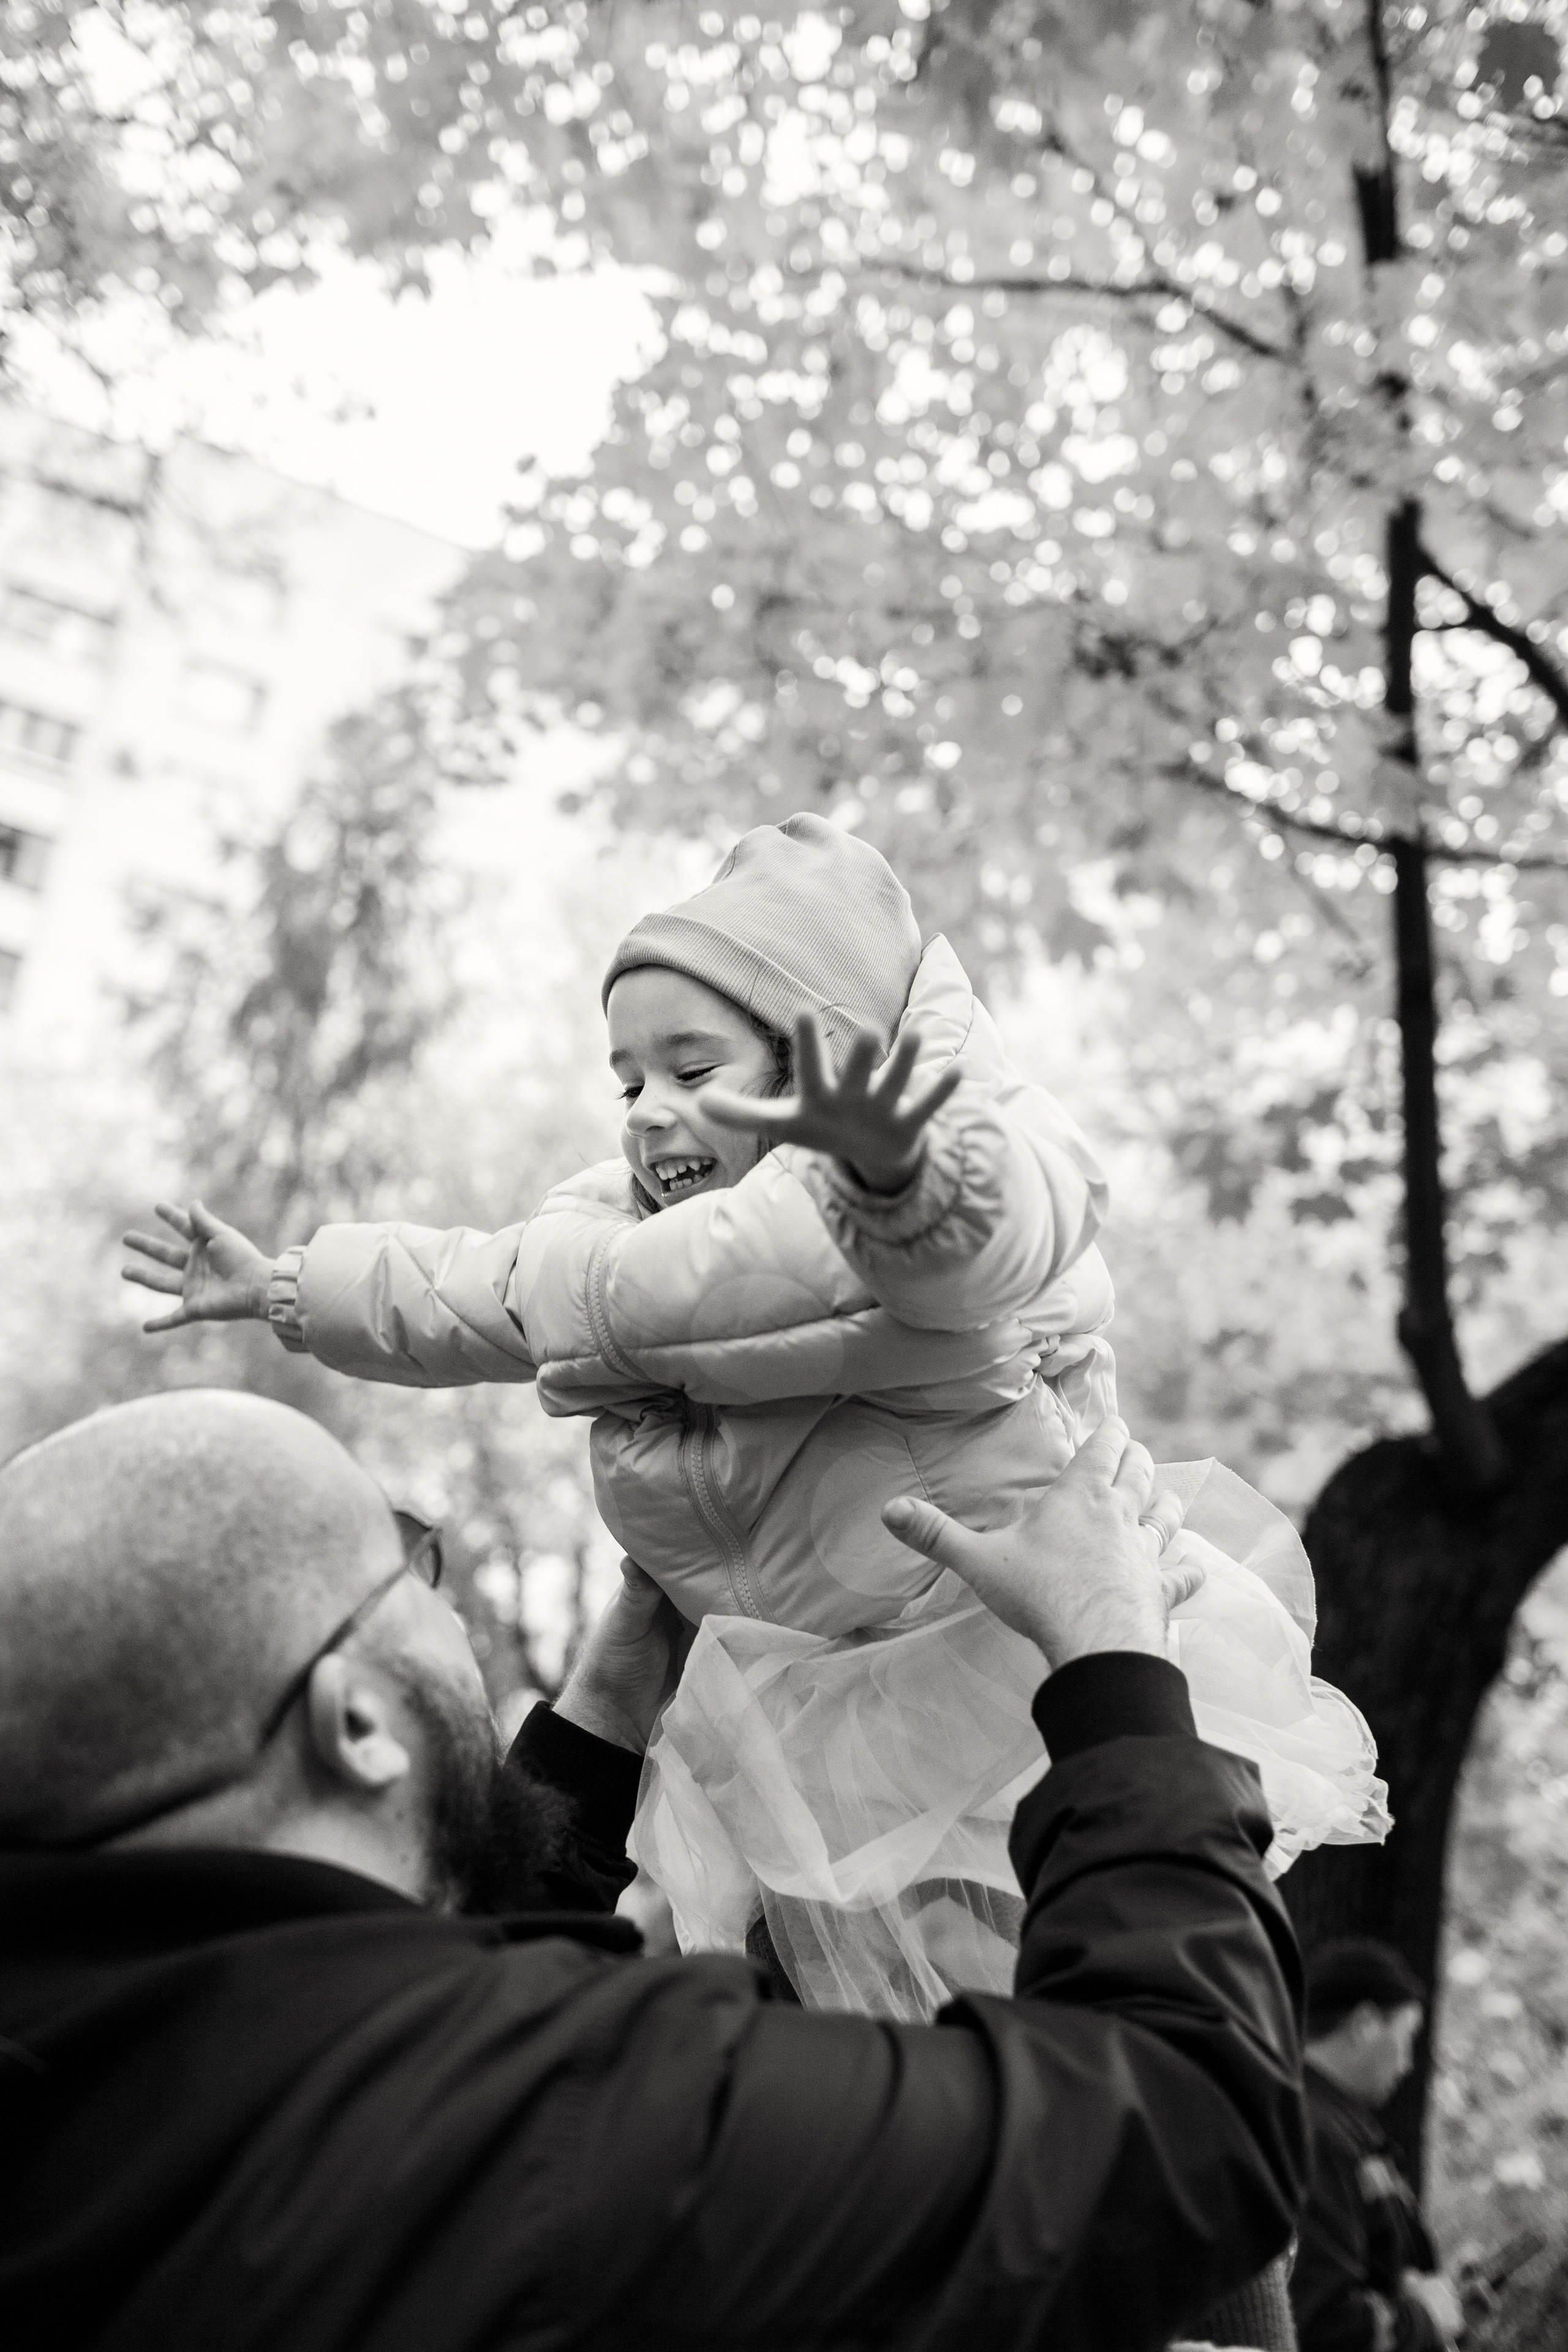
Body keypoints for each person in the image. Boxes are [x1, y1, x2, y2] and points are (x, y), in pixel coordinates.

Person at [123, 813, 1385, 2017]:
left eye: (691, 1069)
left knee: (1020, 1983)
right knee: (842, 2007)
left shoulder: (911, 1208)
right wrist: (288, 1287)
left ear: (814, 1057)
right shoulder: (608, 1244)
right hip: (798, 1716)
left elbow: (988, 1234)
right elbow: (468, 1289)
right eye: (626, 1082)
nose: (647, 1110)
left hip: (991, 1672)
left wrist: (898, 1170)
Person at [0, 1390, 1306, 2352]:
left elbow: (377, 2017)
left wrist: (602, 1713)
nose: (449, 1606)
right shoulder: (569, 2126)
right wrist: (1111, 1660)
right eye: (410, 1568)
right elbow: (1181, 2138)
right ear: (354, 1721)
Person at [1290, 1939, 1465, 2352]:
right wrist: (1424, 2319)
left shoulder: (1334, 2125)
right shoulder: (1316, 2133)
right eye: (1407, 2037)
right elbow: (1322, 2323)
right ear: (1365, 2024)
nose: (1408, 2064)